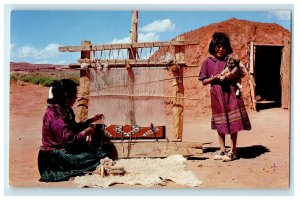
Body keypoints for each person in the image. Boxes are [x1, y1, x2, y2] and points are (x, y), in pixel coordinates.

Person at [38, 79, 111, 182]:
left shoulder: (65, 110)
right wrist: (86, 132)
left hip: (64, 151)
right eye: (75, 95)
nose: (76, 98)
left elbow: (73, 128)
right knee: (94, 160)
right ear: (66, 96)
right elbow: (69, 140)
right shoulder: (55, 115)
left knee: (102, 153)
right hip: (54, 157)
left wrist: (90, 120)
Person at [198, 32, 251, 161]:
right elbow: (204, 81)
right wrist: (215, 77)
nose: (220, 49)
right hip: (216, 94)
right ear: (213, 46)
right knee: (220, 122)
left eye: (223, 46)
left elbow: (240, 72)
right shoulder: (207, 62)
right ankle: (222, 150)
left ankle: (233, 151)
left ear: (227, 47)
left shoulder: (230, 60)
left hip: (231, 93)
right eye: (217, 46)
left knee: (233, 122)